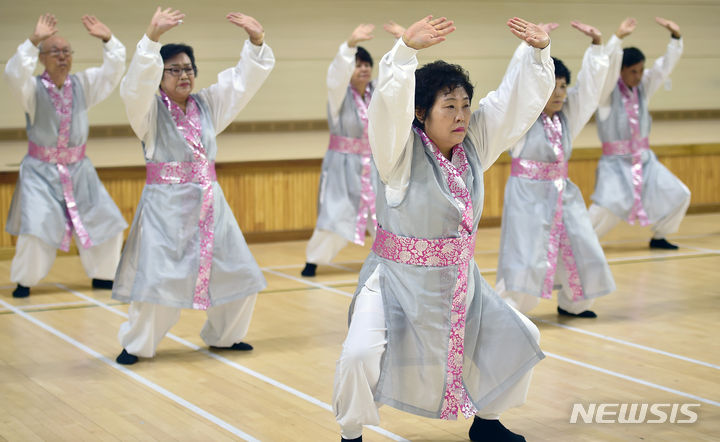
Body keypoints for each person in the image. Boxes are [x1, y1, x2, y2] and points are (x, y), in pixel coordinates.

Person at [332, 15, 555, 442]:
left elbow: (510, 103)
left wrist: (538, 53)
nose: (461, 116)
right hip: (394, 281)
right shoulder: (397, 155)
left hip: (458, 281)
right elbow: (386, 112)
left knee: (521, 334)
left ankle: (487, 424)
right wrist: (405, 54)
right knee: (360, 353)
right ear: (421, 112)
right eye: (448, 107)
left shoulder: (473, 143)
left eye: (465, 105)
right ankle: (350, 433)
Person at [112, 7, 274, 365]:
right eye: (174, 69)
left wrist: (256, 41)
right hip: (164, 208)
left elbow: (241, 84)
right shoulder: (148, 112)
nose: (184, 74)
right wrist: (151, 38)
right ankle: (137, 343)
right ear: (159, 75)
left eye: (188, 68)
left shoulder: (207, 105)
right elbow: (134, 87)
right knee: (157, 281)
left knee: (239, 272)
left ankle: (225, 336)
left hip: (210, 205)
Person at [496, 21, 616, 318]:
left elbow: (589, 91)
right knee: (527, 254)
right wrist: (529, 48)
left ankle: (576, 303)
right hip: (528, 196)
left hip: (564, 192)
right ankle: (510, 309)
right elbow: (514, 86)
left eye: (563, 86)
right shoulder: (523, 120)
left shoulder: (566, 118)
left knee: (582, 243)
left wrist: (598, 46)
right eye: (553, 86)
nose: (560, 93)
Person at [4, 14, 128, 298]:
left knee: (106, 221)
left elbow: (113, 71)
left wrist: (108, 40)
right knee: (37, 226)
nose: (62, 57)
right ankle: (25, 280)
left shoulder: (84, 84)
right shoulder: (31, 90)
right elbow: (13, 73)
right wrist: (33, 39)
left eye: (66, 52)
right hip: (40, 171)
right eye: (55, 52)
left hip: (79, 169)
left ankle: (104, 275)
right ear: (41, 59)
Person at [301, 22, 405, 277]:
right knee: (334, 213)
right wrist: (349, 46)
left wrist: (402, 43)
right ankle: (313, 260)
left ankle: (392, 257)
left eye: (367, 65)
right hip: (342, 165)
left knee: (382, 212)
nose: (364, 69)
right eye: (358, 64)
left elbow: (394, 78)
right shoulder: (339, 95)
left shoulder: (376, 92)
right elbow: (335, 75)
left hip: (374, 163)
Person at [588, 17, 690, 249]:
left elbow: (664, 68)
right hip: (615, 165)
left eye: (641, 70)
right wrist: (618, 38)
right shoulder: (606, 95)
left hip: (645, 162)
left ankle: (660, 236)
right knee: (605, 207)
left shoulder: (643, 87)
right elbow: (608, 64)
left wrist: (675, 38)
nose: (639, 75)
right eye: (633, 71)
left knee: (680, 194)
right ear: (621, 71)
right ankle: (582, 243)